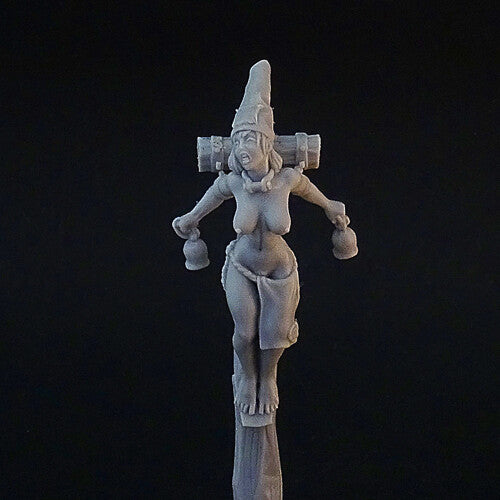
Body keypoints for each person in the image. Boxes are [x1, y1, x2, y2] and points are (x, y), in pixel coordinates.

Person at [173, 61, 350, 415]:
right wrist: (189, 220)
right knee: (245, 333)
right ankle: (249, 377)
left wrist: (332, 209)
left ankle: (267, 377)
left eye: (251, 139)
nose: (243, 147)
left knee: (275, 334)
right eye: (239, 140)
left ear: (267, 144)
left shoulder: (286, 180)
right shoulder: (233, 183)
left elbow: (314, 194)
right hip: (241, 265)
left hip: (279, 270)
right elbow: (205, 205)